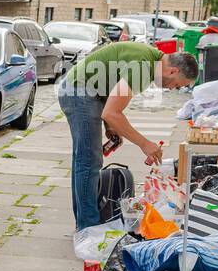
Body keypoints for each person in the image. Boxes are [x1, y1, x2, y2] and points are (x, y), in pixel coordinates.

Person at [57, 41, 198, 231]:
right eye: (177, 85)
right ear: (172, 71)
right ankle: (88, 228)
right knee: (88, 162)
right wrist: (144, 144)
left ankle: (85, 224)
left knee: (84, 161)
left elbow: (109, 93)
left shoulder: (150, 59)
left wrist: (111, 127)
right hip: (80, 92)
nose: (172, 89)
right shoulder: (142, 66)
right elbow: (112, 113)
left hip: (85, 91)